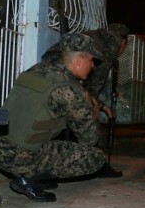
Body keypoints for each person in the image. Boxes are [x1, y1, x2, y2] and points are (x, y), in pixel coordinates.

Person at [0, 33, 107, 202]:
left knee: (49, 136)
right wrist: (90, 108)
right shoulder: (69, 89)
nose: (93, 66)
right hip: (19, 159)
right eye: (91, 60)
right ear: (79, 61)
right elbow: (90, 138)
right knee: (96, 157)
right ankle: (27, 177)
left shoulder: (35, 70)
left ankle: (35, 175)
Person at [41, 23, 129, 177]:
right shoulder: (112, 45)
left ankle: (52, 158)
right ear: (124, 43)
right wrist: (93, 103)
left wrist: (100, 104)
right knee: (87, 116)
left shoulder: (98, 35)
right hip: (62, 70)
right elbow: (96, 81)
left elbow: (84, 83)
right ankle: (97, 164)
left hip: (49, 67)